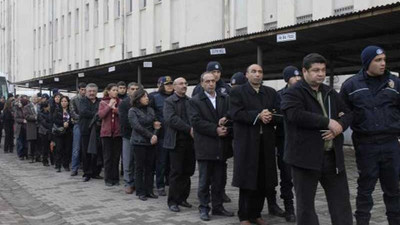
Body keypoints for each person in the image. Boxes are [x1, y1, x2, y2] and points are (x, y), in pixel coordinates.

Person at [281, 53, 353, 225]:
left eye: (323, 70)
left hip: (332, 158)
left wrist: (339, 127)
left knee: (341, 204)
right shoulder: (293, 93)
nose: (320, 74)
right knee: (306, 207)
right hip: (304, 159)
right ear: (304, 71)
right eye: (316, 70)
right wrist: (328, 122)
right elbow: (295, 114)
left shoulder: (330, 92)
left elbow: (349, 113)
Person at [341, 46, 400, 225]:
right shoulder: (351, 85)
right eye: (378, 60)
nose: (383, 63)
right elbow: (343, 114)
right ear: (367, 62)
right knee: (365, 190)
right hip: (366, 145)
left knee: (393, 190)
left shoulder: (395, 82)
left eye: (384, 59)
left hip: (391, 144)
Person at [230, 64, 280, 225]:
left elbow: (280, 113)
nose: (257, 74)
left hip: (265, 143)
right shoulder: (238, 92)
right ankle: (244, 216)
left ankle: (256, 213)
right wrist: (258, 115)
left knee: (264, 180)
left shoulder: (270, 92)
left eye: (260, 72)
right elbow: (236, 114)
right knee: (247, 180)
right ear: (247, 75)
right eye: (254, 72)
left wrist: (270, 116)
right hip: (247, 143)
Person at [190, 72, 234, 221]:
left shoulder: (224, 98)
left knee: (219, 179)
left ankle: (218, 207)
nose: (210, 84)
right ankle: (203, 208)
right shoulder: (195, 101)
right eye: (207, 81)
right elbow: (196, 122)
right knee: (204, 181)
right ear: (201, 83)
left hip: (221, 146)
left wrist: (227, 120)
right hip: (205, 146)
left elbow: (230, 115)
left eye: (213, 81)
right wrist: (215, 129)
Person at [271, 66, 302, 222]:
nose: (297, 79)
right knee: (287, 176)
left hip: (303, 141)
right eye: (294, 77)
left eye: (299, 76)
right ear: (286, 79)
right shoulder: (279, 96)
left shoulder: (305, 93)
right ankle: (289, 208)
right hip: (285, 141)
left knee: (303, 178)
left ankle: (304, 208)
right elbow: (275, 116)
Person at [163, 77, 195, 212]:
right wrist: (189, 129)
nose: (184, 86)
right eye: (181, 84)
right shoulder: (169, 101)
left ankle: (183, 198)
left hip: (190, 142)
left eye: (185, 83)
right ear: (174, 87)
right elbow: (171, 119)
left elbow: (194, 117)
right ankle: (173, 201)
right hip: (176, 142)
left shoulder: (190, 101)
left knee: (188, 171)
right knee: (176, 172)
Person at [128, 88, 160, 201]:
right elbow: (136, 126)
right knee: (139, 167)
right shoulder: (133, 111)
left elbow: (156, 124)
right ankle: (140, 191)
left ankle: (149, 190)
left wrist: (155, 134)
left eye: (147, 96)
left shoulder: (151, 109)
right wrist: (151, 135)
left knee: (150, 167)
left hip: (151, 142)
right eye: (144, 96)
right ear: (138, 98)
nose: (147, 98)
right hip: (138, 142)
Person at [149, 76, 174, 196]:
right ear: (161, 85)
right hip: (162, 134)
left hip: (174, 134)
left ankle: (170, 181)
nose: (170, 86)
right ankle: (160, 185)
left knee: (172, 162)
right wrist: (154, 121)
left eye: (171, 84)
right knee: (161, 161)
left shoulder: (176, 97)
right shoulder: (155, 97)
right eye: (167, 84)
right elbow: (150, 112)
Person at [119, 82, 142, 194]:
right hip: (128, 136)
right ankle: (128, 183)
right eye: (132, 89)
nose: (134, 91)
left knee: (139, 161)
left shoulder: (143, 102)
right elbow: (124, 121)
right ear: (128, 90)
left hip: (141, 137)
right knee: (128, 161)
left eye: (137, 89)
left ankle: (138, 183)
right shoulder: (124, 103)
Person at [99, 83, 122, 186]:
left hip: (117, 134)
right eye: (113, 90)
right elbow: (101, 115)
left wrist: (115, 109)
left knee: (116, 157)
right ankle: (108, 179)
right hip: (106, 134)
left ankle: (115, 178)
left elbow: (123, 114)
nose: (115, 92)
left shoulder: (120, 102)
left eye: (117, 90)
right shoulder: (103, 102)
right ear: (108, 91)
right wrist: (109, 106)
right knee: (108, 157)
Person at [80, 83, 102, 182]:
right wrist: (97, 114)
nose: (92, 93)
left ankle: (96, 172)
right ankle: (87, 173)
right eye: (90, 91)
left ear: (96, 92)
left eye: (94, 91)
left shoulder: (100, 101)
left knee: (97, 152)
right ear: (86, 91)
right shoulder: (83, 101)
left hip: (98, 131)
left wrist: (98, 114)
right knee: (86, 152)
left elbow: (101, 113)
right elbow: (84, 112)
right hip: (86, 130)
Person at [69, 82, 86, 176]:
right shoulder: (74, 99)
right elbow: (72, 112)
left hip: (86, 125)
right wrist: (83, 118)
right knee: (76, 147)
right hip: (78, 124)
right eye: (82, 89)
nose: (83, 91)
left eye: (84, 89)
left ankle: (85, 167)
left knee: (85, 147)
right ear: (79, 90)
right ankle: (74, 168)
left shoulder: (88, 99)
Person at [53, 96, 73, 172]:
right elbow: (54, 120)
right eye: (62, 101)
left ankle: (66, 165)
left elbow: (73, 120)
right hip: (59, 132)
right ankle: (58, 165)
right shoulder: (57, 110)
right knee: (59, 149)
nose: (64, 103)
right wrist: (63, 123)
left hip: (68, 132)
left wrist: (68, 123)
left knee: (67, 149)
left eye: (65, 101)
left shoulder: (70, 111)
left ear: (68, 102)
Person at [24, 95, 41, 163]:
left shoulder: (39, 106)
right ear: (31, 99)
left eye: (36, 98)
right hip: (31, 127)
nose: (35, 99)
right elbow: (26, 116)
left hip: (39, 127)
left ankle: (38, 157)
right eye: (33, 98)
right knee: (31, 143)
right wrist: (35, 117)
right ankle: (31, 157)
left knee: (38, 143)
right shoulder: (27, 107)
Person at [38, 101, 52, 166]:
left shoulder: (49, 113)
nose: (49, 107)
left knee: (50, 147)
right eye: (48, 106)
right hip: (43, 132)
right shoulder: (40, 113)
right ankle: (45, 160)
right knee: (45, 147)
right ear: (44, 107)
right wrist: (50, 126)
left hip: (49, 131)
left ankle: (52, 160)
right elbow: (43, 123)